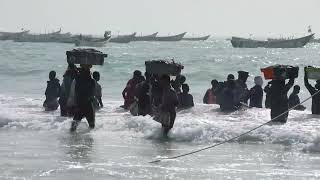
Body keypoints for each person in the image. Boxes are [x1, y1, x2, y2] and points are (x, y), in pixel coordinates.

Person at [70, 64, 96, 132]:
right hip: (88, 105)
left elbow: (73, 71)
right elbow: (92, 95)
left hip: (79, 105)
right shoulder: (91, 81)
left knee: (73, 127)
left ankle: (71, 139)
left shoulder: (78, 80)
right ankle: (90, 139)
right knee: (91, 126)